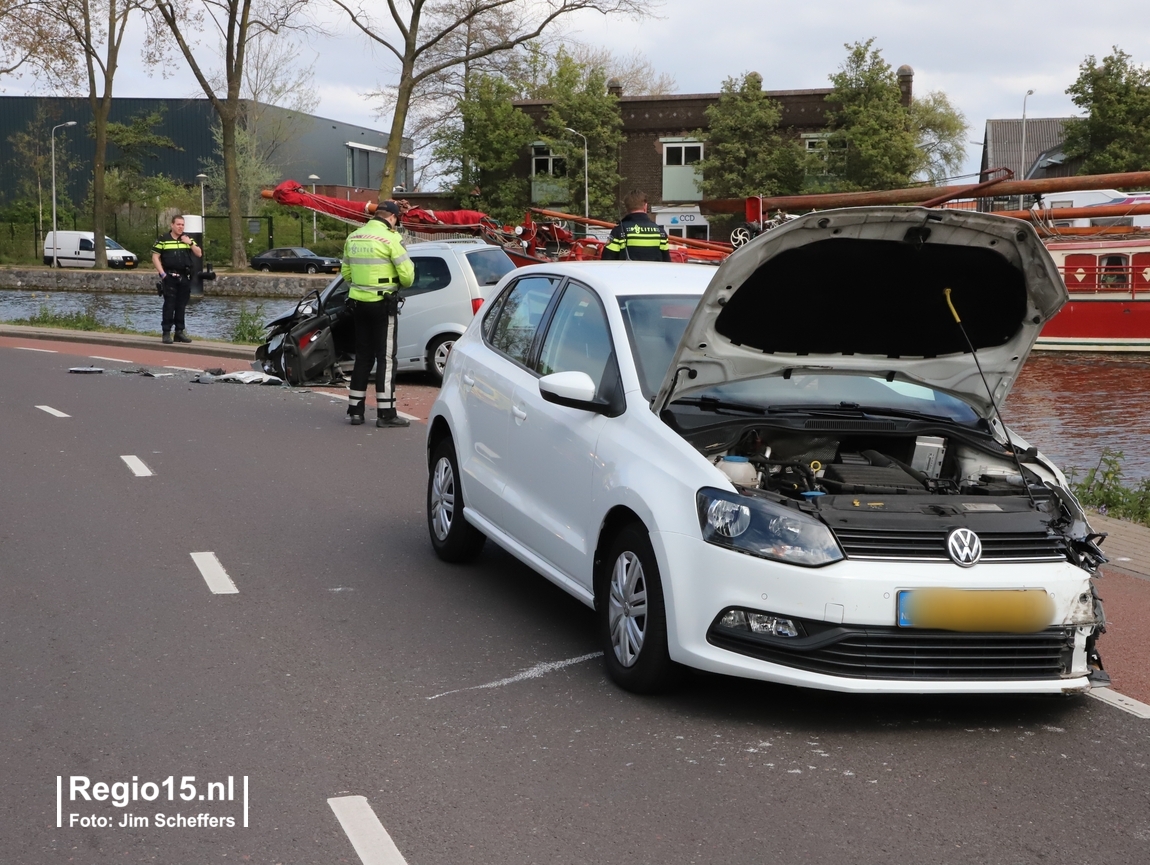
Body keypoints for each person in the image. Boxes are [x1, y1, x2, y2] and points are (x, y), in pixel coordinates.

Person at [341, 200, 415, 428]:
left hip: (358, 304)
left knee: (363, 357)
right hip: (383, 305)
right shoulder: (391, 239)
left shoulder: (353, 236)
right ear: (392, 218)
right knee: (385, 358)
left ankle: (355, 411)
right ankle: (386, 414)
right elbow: (408, 277)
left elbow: (346, 272)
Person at [151, 215, 203, 344]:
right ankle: (166, 332)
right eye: (178, 224)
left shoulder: (187, 238)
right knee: (169, 304)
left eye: (183, 225)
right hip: (169, 276)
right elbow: (155, 256)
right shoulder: (164, 239)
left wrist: (190, 243)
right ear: (172, 225)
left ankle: (179, 332)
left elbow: (199, 253)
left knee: (181, 305)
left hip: (184, 276)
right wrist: (162, 274)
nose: (181, 227)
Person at [600, 190, 671, 262]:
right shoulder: (660, 232)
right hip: (653, 273)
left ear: (627, 208)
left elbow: (607, 260)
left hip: (627, 273)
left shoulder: (619, 231)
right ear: (645, 206)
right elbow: (667, 263)